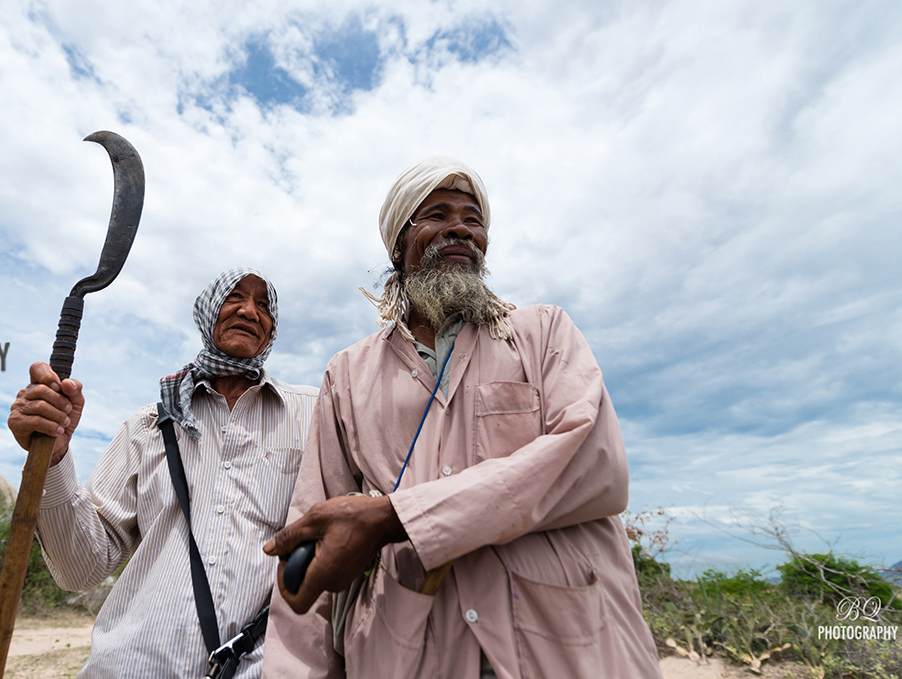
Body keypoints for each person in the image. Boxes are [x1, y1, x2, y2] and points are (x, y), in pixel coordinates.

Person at [262, 158, 662, 678]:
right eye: (436, 214)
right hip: (404, 650)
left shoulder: (542, 332)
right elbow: (315, 533)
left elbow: (592, 464)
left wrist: (394, 517)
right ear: (397, 247)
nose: (460, 228)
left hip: (564, 644)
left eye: (473, 220)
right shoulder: (347, 373)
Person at [10, 268, 316, 678]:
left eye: (264, 305)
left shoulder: (312, 414)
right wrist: (53, 456)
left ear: (272, 329)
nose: (249, 310)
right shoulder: (148, 426)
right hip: (132, 666)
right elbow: (79, 568)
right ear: (207, 313)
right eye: (234, 297)